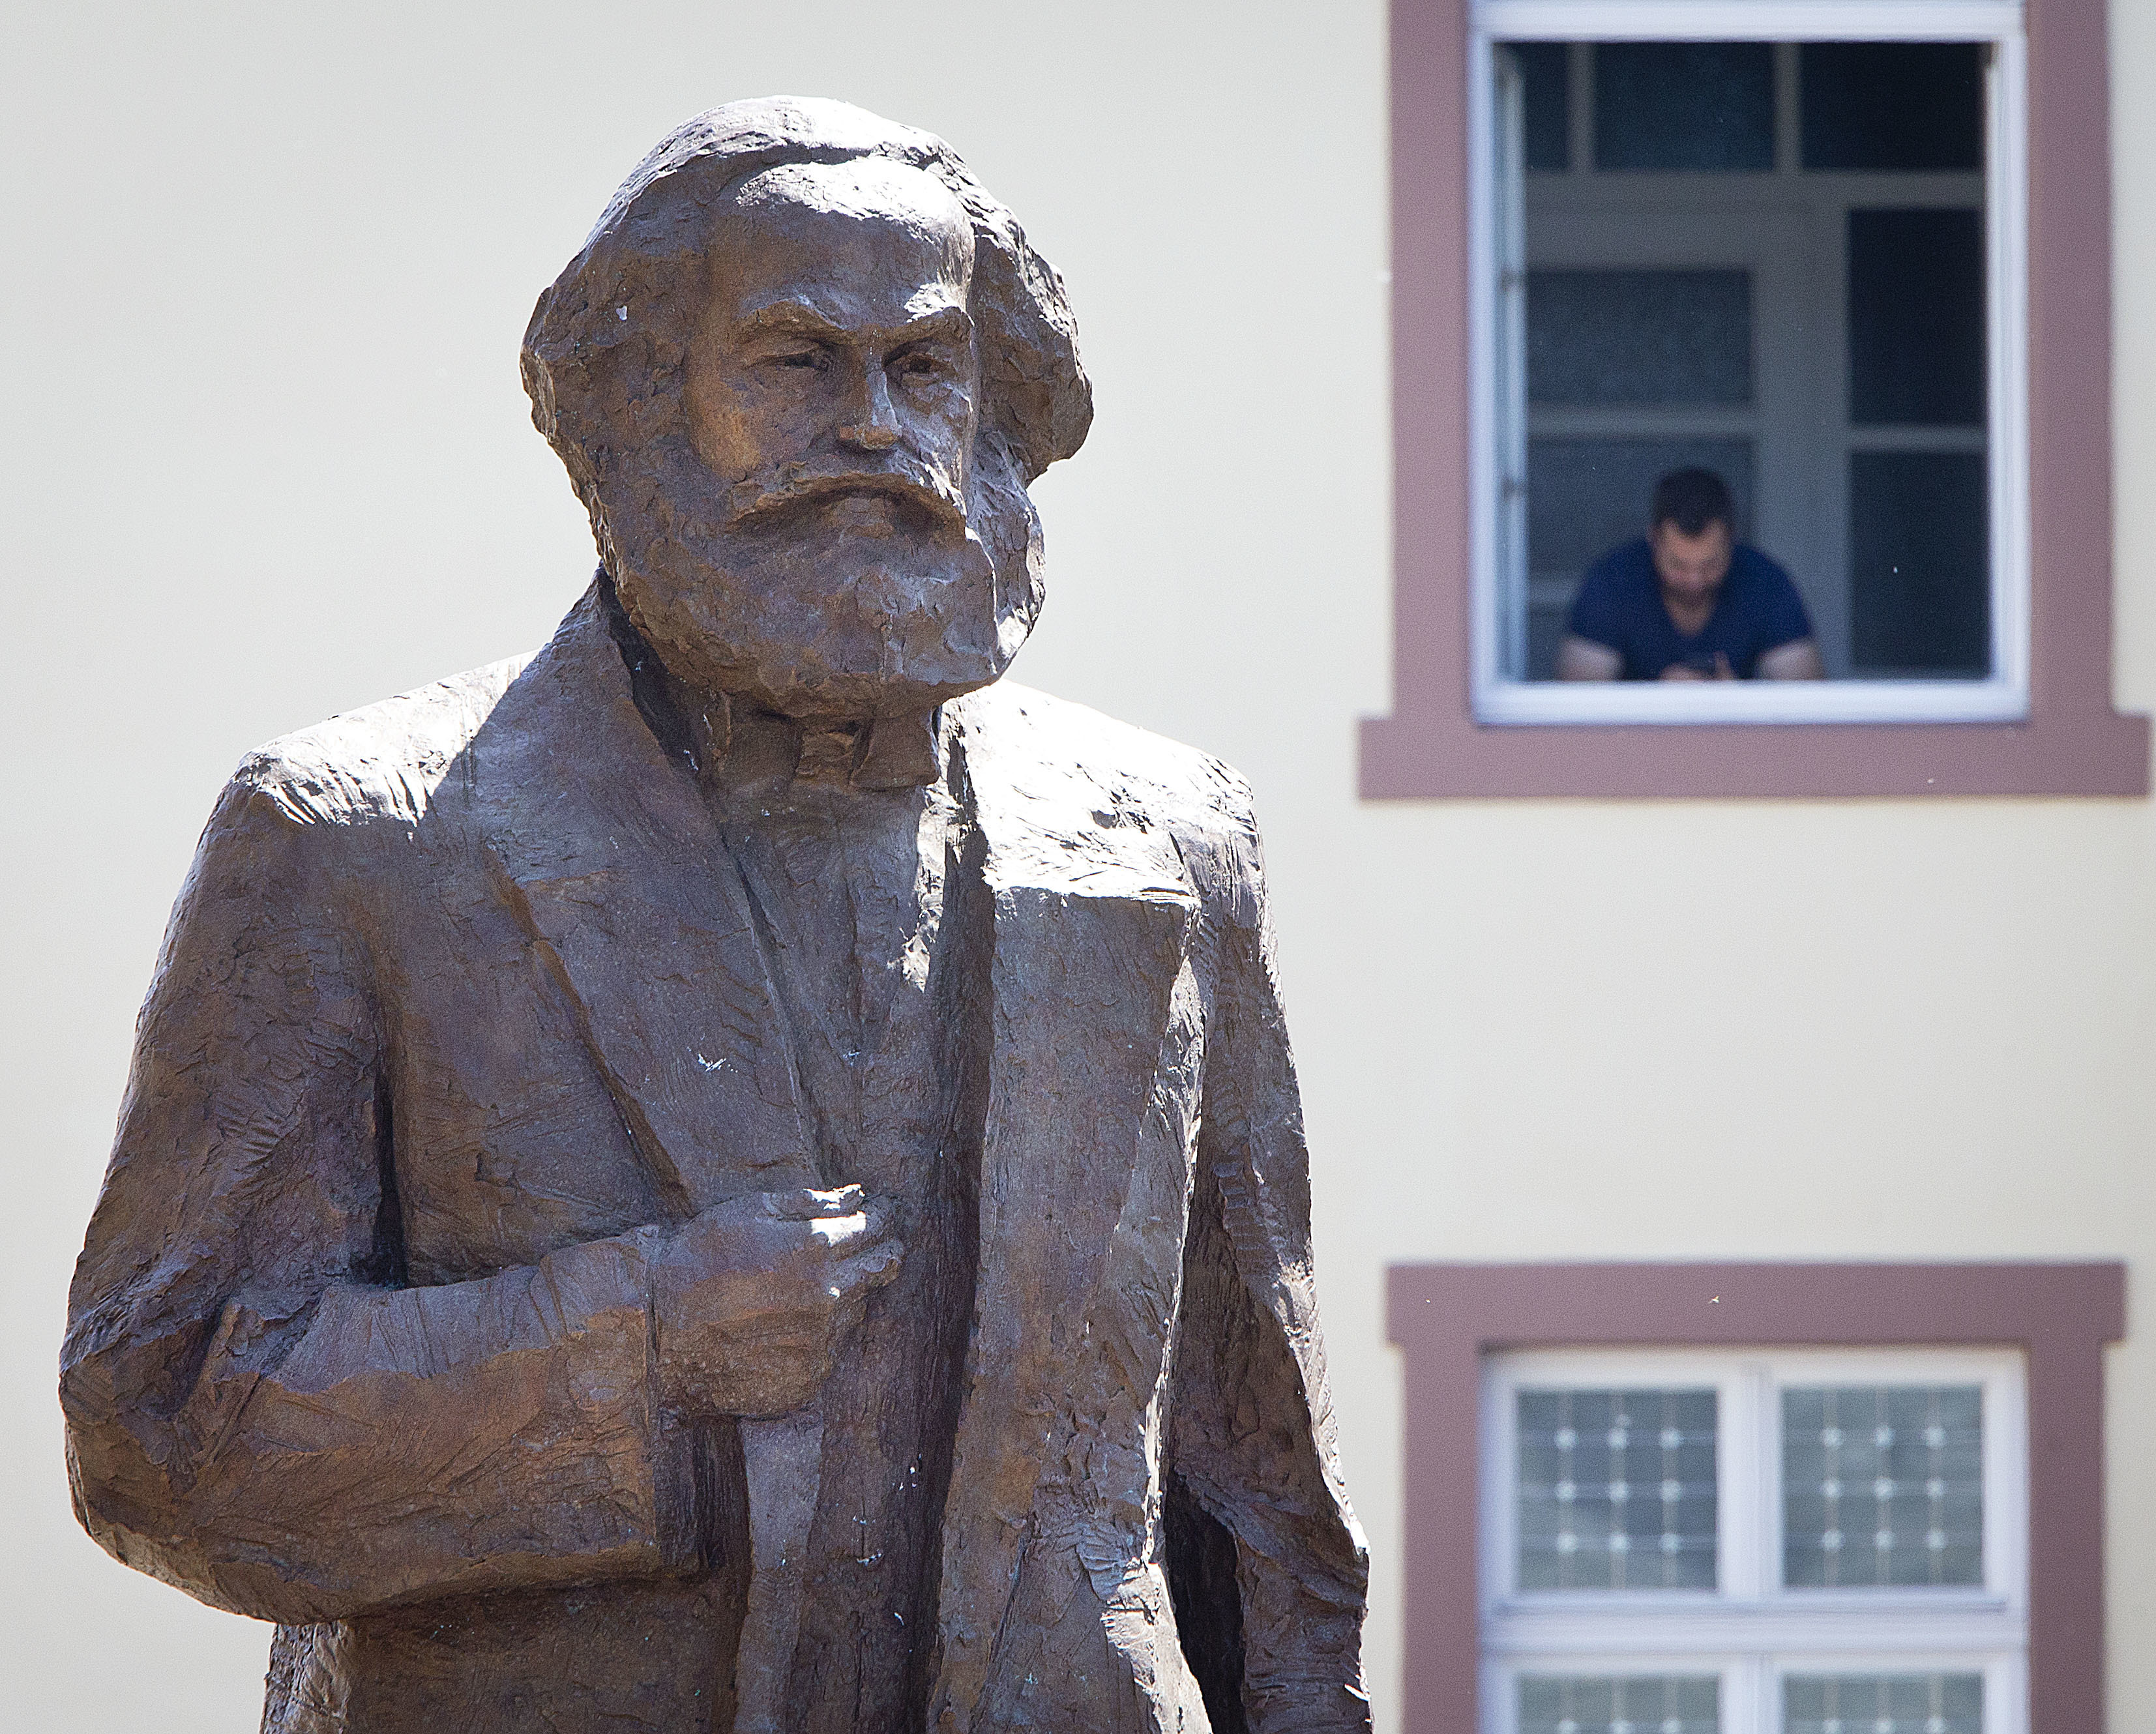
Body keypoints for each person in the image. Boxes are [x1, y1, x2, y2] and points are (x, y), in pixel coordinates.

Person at [61, 100, 1368, 1734]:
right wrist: (638, 1348)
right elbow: (159, 1425)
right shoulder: (360, 843)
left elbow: (1261, 1496)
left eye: (926, 369)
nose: (875, 427)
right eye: (796, 363)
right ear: (637, 407)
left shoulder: (1168, 846)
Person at [1554, 467, 1826, 682]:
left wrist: (1737, 701)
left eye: (1709, 566)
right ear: (1653, 541)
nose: (1694, 580)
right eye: (1678, 565)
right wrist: (1656, 702)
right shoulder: (1614, 581)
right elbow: (1576, 703)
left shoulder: (1764, 581)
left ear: (1731, 542)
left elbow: (1807, 702)